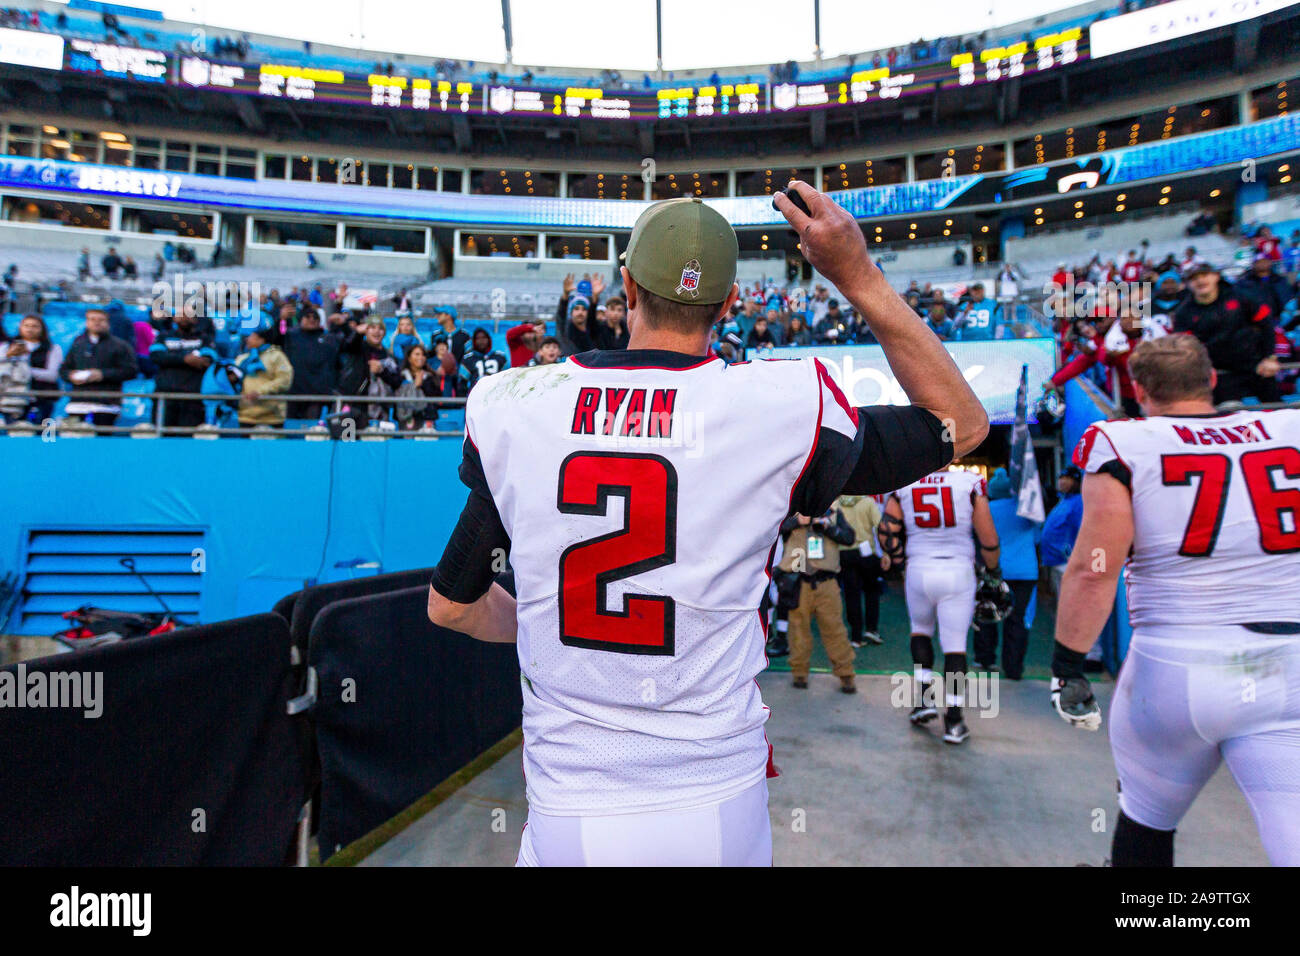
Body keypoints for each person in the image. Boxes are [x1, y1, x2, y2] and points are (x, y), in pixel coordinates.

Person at [425, 186, 988, 866]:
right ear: (727, 306)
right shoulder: (776, 405)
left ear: (625, 285)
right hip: (716, 799)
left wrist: (548, 616)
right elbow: (961, 425)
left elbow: (451, 606)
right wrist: (856, 274)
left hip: (569, 804)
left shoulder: (519, 402)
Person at [1054, 334, 1300, 866]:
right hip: (1290, 665)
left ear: (1139, 390)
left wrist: (1067, 665)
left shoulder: (1122, 442)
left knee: (1146, 821)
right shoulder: (1291, 426)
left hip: (1178, 665)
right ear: (1211, 380)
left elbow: (1096, 569)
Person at [880, 468, 1000, 744]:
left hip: (919, 568)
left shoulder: (904, 481)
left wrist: (899, 560)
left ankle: (924, 700)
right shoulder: (969, 482)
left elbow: (887, 531)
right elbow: (988, 537)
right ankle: (954, 721)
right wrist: (993, 571)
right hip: (957, 570)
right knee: (955, 644)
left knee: (920, 631)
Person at [1171, 262, 1278, 404]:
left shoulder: (1242, 297)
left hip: (1257, 365)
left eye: (1204, 275)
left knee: (1276, 410)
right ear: (1188, 284)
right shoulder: (1183, 313)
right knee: (1229, 414)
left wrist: (1270, 357)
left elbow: (1267, 326)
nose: (1200, 281)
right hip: (1220, 372)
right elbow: (1184, 348)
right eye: (1194, 278)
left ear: (1216, 276)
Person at [973, 467, 1040, 679]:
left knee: (988, 613)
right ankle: (1013, 668)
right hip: (1024, 572)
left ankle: (986, 659)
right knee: (1017, 619)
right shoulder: (1025, 510)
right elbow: (1038, 537)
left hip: (993, 569)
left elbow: (976, 536)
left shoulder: (986, 509)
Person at [59, 308, 138, 428]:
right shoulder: (77, 345)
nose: (97, 322)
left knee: (102, 440)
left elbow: (131, 371)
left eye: (101, 320)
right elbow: (63, 370)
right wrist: (70, 376)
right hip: (77, 402)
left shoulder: (121, 346)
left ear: (108, 323)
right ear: (86, 322)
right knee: (72, 437)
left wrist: (102, 374)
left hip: (107, 404)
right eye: (92, 319)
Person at [150, 307, 216, 429]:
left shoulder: (204, 339)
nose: (184, 317)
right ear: (174, 318)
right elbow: (156, 356)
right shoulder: (163, 337)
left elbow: (208, 359)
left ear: (195, 319)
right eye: (181, 314)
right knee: (163, 437)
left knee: (188, 437)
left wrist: (172, 357)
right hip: (165, 396)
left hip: (193, 397)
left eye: (188, 314)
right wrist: (185, 359)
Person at [837, 493, 885, 647]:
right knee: (872, 592)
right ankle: (871, 629)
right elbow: (879, 526)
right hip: (867, 552)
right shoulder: (868, 502)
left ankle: (856, 636)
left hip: (844, 552)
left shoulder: (837, 503)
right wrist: (885, 552)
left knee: (851, 595)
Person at [232, 325, 293, 430]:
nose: (247, 339)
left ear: (261, 339)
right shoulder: (242, 359)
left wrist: (260, 392)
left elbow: (284, 380)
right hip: (246, 417)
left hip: (272, 417)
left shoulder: (277, 357)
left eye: (251, 336)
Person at [283, 309, 340, 420]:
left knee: (312, 430)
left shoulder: (328, 339)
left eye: (315, 317)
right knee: (290, 427)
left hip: (317, 394)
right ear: (301, 320)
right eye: (307, 317)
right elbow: (276, 335)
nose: (311, 319)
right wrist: (282, 320)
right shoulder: (290, 336)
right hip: (294, 392)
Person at [4, 315, 61, 423]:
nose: (30, 329)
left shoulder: (52, 348)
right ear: (20, 327)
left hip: (42, 399)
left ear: (42, 329)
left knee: (40, 431)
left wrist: (25, 371)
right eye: (26, 325)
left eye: (35, 326)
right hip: (13, 399)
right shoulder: (7, 346)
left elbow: (52, 375)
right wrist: (9, 355)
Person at [1041, 464, 1083, 598]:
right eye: (1061, 478)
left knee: (1072, 605)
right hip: (1057, 562)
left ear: (1075, 482)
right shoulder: (1064, 500)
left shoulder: (1078, 502)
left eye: (1067, 478)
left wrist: (1071, 555)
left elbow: (1081, 531)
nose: (1062, 481)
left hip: (1067, 563)